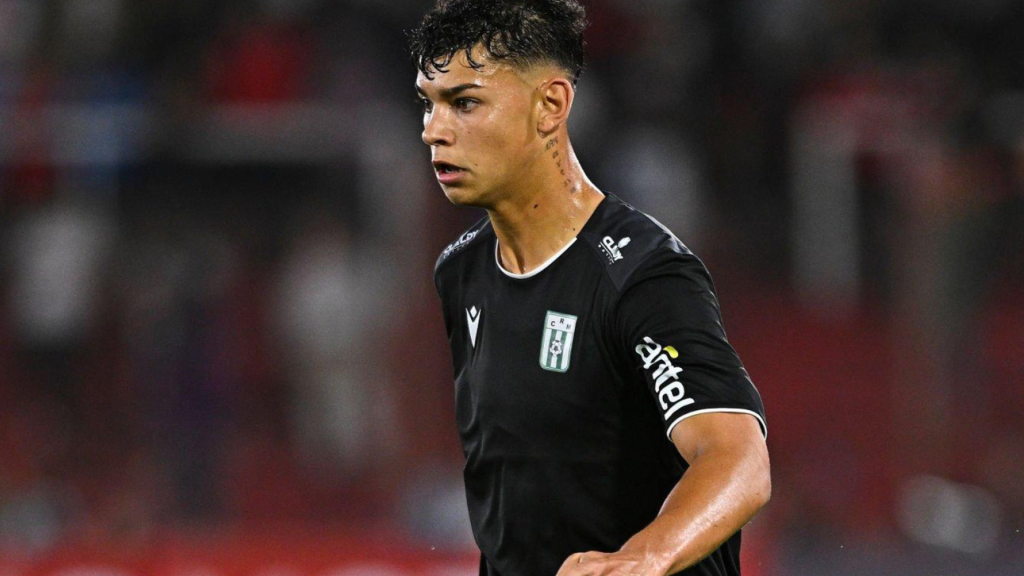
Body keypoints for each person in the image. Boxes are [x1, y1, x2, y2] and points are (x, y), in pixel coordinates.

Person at [410, 2, 770, 575]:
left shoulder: (642, 277)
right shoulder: (461, 273)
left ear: (550, 105)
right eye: (428, 103)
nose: (433, 129)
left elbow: (738, 459)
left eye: (465, 102)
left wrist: (640, 560)